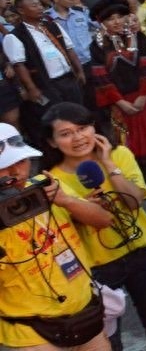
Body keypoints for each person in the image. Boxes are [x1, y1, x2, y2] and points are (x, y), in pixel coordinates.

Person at [41, 103, 146, 351]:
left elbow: (133, 202)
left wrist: (109, 165)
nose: (78, 137)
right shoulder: (52, 182)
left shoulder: (120, 155)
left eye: (83, 128)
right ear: (51, 142)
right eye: (66, 133)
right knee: (108, 336)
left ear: (95, 127)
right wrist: (81, 210)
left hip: (142, 254)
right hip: (96, 267)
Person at [0, 122, 110, 351]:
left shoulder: (46, 189)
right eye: (6, 165)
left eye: (21, 161)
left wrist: (66, 200)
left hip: (86, 314)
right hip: (32, 332)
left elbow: (104, 220)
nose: (16, 171)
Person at [84, 0, 146, 198]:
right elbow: (101, 79)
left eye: (119, 17)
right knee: (133, 145)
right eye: (110, 19)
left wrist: (142, 97)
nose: (116, 22)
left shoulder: (139, 37)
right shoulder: (96, 46)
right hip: (121, 104)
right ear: (101, 22)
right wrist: (121, 102)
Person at [2, 0, 87, 147]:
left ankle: (83, 144)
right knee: (56, 121)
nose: (40, 7)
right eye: (34, 5)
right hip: (45, 85)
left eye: (40, 4)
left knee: (77, 114)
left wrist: (79, 71)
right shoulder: (15, 36)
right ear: (21, 10)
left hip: (68, 78)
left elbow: (70, 49)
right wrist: (32, 88)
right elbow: (19, 65)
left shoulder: (52, 25)